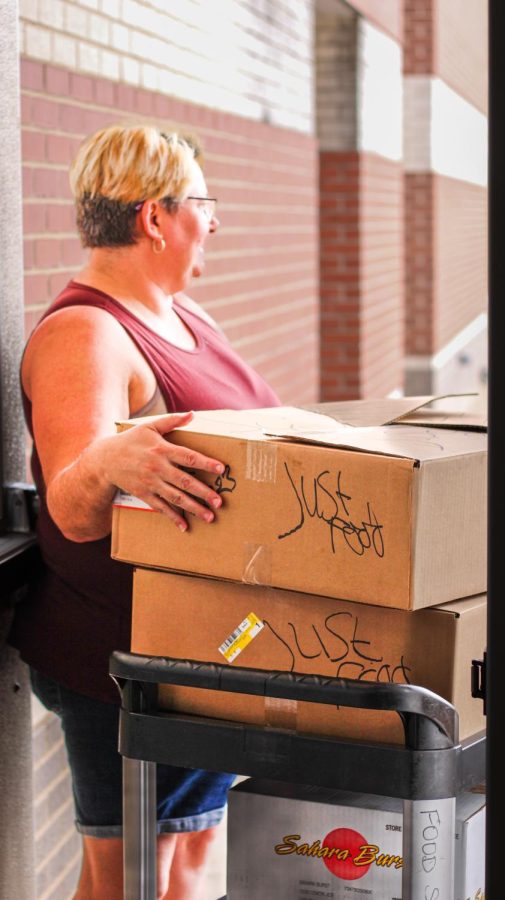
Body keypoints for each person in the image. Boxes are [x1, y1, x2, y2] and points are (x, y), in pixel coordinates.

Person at [10, 124, 280, 900]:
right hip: (126, 659)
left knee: (189, 861)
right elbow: (71, 505)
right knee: (129, 875)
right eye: (203, 202)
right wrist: (107, 461)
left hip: (207, 648)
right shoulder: (85, 333)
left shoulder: (190, 318)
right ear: (153, 217)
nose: (216, 221)